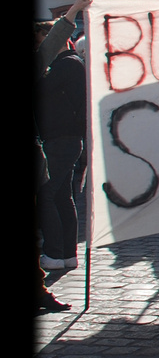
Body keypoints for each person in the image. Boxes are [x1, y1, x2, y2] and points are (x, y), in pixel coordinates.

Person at [37, 31, 88, 272]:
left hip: (61, 139)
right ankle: (67, 254)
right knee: (61, 196)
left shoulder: (66, 64)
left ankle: (54, 253)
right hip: (65, 138)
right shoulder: (70, 63)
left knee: (46, 195)